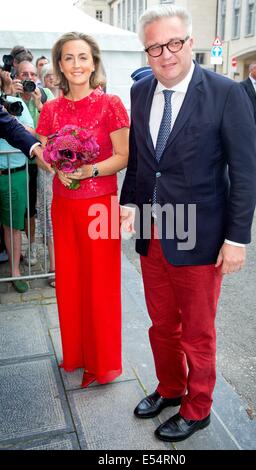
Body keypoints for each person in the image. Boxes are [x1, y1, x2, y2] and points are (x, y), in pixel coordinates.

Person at [120, 5, 256, 443]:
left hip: (201, 237)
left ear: (190, 42)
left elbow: (243, 172)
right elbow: (142, 162)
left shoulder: (224, 93)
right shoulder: (141, 93)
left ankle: (198, 408)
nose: (166, 54)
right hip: (154, 233)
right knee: (161, 324)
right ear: (147, 51)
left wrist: (236, 239)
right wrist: (128, 207)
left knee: (198, 331)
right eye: (155, 46)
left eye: (174, 43)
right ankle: (171, 388)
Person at [36, 32, 129, 388]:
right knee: (71, 283)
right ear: (60, 64)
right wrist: (56, 166)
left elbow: (123, 156)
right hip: (64, 205)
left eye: (83, 57)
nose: (77, 64)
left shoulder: (112, 105)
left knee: (101, 286)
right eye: (69, 58)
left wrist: (89, 170)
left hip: (101, 205)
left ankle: (102, 361)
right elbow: (46, 155)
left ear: (94, 62)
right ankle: (75, 353)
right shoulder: (50, 109)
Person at [14, 61, 54, 265]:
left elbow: (55, 124)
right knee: (27, 207)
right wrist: (12, 95)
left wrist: (41, 104)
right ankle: (32, 245)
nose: (28, 78)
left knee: (46, 207)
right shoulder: (12, 96)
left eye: (32, 74)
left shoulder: (45, 93)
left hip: (43, 161)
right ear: (17, 77)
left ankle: (48, 251)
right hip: (20, 161)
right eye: (24, 74)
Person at [0, 95, 34, 293]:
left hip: (15, 175)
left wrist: (10, 121)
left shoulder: (15, 102)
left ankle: (15, 272)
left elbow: (32, 133)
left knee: (12, 225)